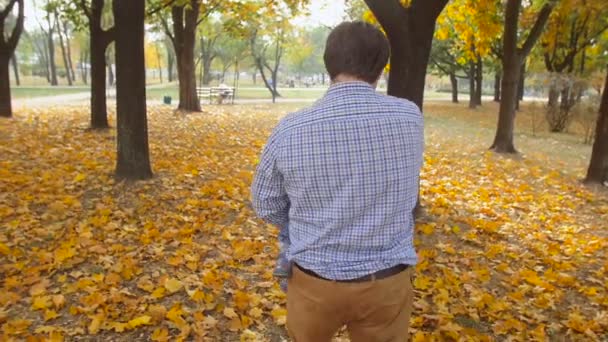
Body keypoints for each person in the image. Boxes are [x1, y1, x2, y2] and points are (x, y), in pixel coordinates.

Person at [251, 21, 424, 342]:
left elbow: (264, 201)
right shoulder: (409, 117)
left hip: (315, 281)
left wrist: (303, 223)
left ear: (329, 63)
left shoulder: (291, 128)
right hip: (387, 281)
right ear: (380, 67)